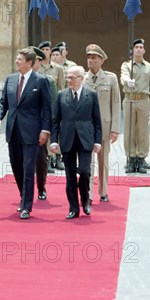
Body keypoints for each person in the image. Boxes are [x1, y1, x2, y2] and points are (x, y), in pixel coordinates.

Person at [0, 48, 52, 220]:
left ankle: (27, 205)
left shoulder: (40, 81)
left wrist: (45, 130)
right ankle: (23, 196)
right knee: (16, 167)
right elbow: (3, 102)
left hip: (32, 132)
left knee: (28, 168)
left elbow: (47, 108)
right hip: (13, 131)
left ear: (29, 62)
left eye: (20, 59)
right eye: (17, 58)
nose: (17, 61)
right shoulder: (10, 80)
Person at [51, 66, 102, 219]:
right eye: (68, 77)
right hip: (67, 139)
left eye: (73, 77)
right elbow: (55, 121)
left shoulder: (91, 95)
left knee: (85, 172)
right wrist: (54, 141)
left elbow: (97, 120)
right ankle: (73, 208)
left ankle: (85, 200)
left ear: (82, 78)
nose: (70, 80)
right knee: (70, 176)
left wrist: (98, 141)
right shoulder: (61, 95)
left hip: (86, 139)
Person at [83, 44, 120, 203]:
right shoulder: (82, 79)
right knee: (87, 163)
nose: (91, 61)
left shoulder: (110, 79)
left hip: (104, 126)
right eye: (89, 57)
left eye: (94, 58)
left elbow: (116, 104)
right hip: (87, 127)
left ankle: (103, 191)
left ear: (101, 60)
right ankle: (88, 193)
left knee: (103, 161)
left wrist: (115, 129)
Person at [120, 38, 150, 173]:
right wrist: (127, 81)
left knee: (143, 131)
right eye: (136, 47)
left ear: (144, 50)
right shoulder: (126, 65)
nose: (139, 49)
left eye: (141, 47)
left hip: (143, 100)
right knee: (129, 131)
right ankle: (131, 158)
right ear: (133, 50)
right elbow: (123, 76)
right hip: (130, 99)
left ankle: (141, 158)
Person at [29, 46, 55, 201]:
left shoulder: (47, 81)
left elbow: (51, 106)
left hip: (39, 126)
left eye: (35, 60)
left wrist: (48, 128)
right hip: (25, 125)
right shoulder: (19, 79)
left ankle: (41, 187)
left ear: (39, 62)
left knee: (40, 159)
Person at [38, 40, 65, 172]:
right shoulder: (37, 68)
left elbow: (61, 88)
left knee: (56, 131)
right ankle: (46, 160)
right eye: (43, 50)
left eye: (47, 50)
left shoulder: (58, 69)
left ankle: (57, 158)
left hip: (54, 105)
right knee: (44, 131)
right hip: (41, 106)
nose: (45, 52)